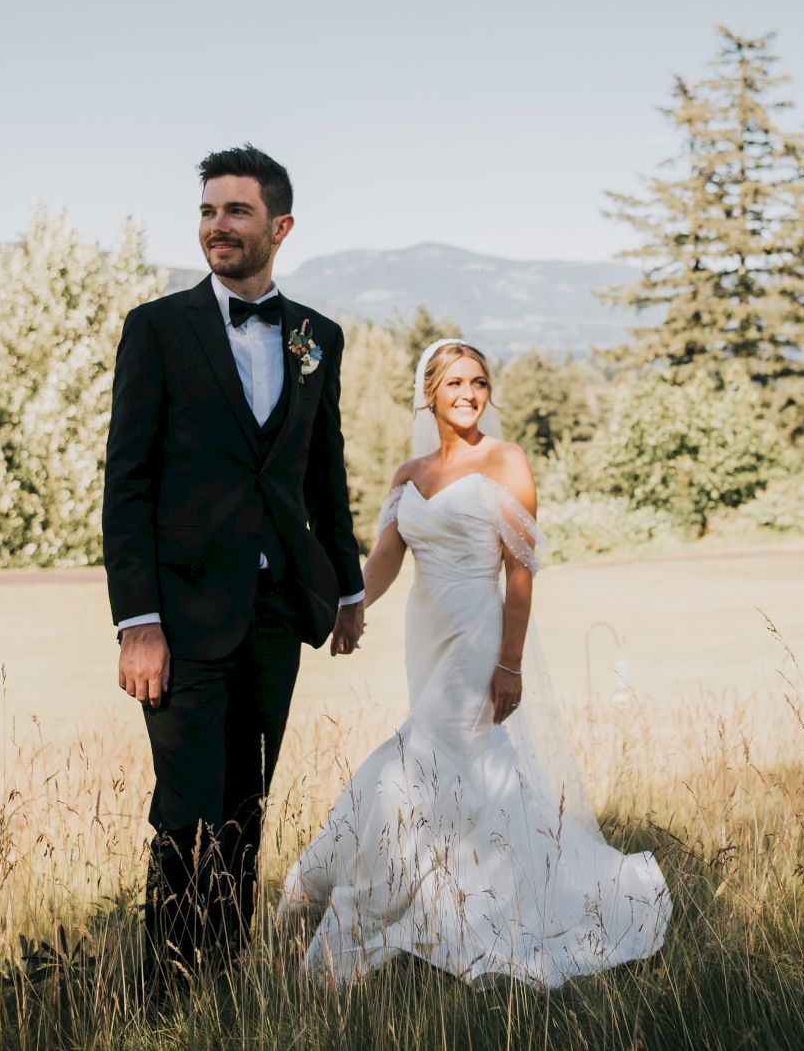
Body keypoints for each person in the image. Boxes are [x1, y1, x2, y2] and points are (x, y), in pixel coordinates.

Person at [277, 339, 672, 988]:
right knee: (461, 775)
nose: (468, 392)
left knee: (410, 763)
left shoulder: (505, 460)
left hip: (479, 634)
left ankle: (346, 926)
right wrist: (343, 607)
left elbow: (521, 571)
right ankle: (469, 896)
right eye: (454, 381)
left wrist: (509, 664)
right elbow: (381, 561)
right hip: (425, 633)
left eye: (478, 381)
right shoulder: (408, 474)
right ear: (427, 391)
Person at [102, 145, 366, 982]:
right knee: (186, 812)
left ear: (279, 227)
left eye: (237, 211)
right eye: (210, 210)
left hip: (277, 612)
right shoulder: (158, 328)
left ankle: (226, 979)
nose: (218, 225)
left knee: (246, 809)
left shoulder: (315, 338)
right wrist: (137, 621)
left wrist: (347, 585)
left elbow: (325, 473)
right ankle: (171, 990)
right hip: (180, 617)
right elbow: (128, 483)